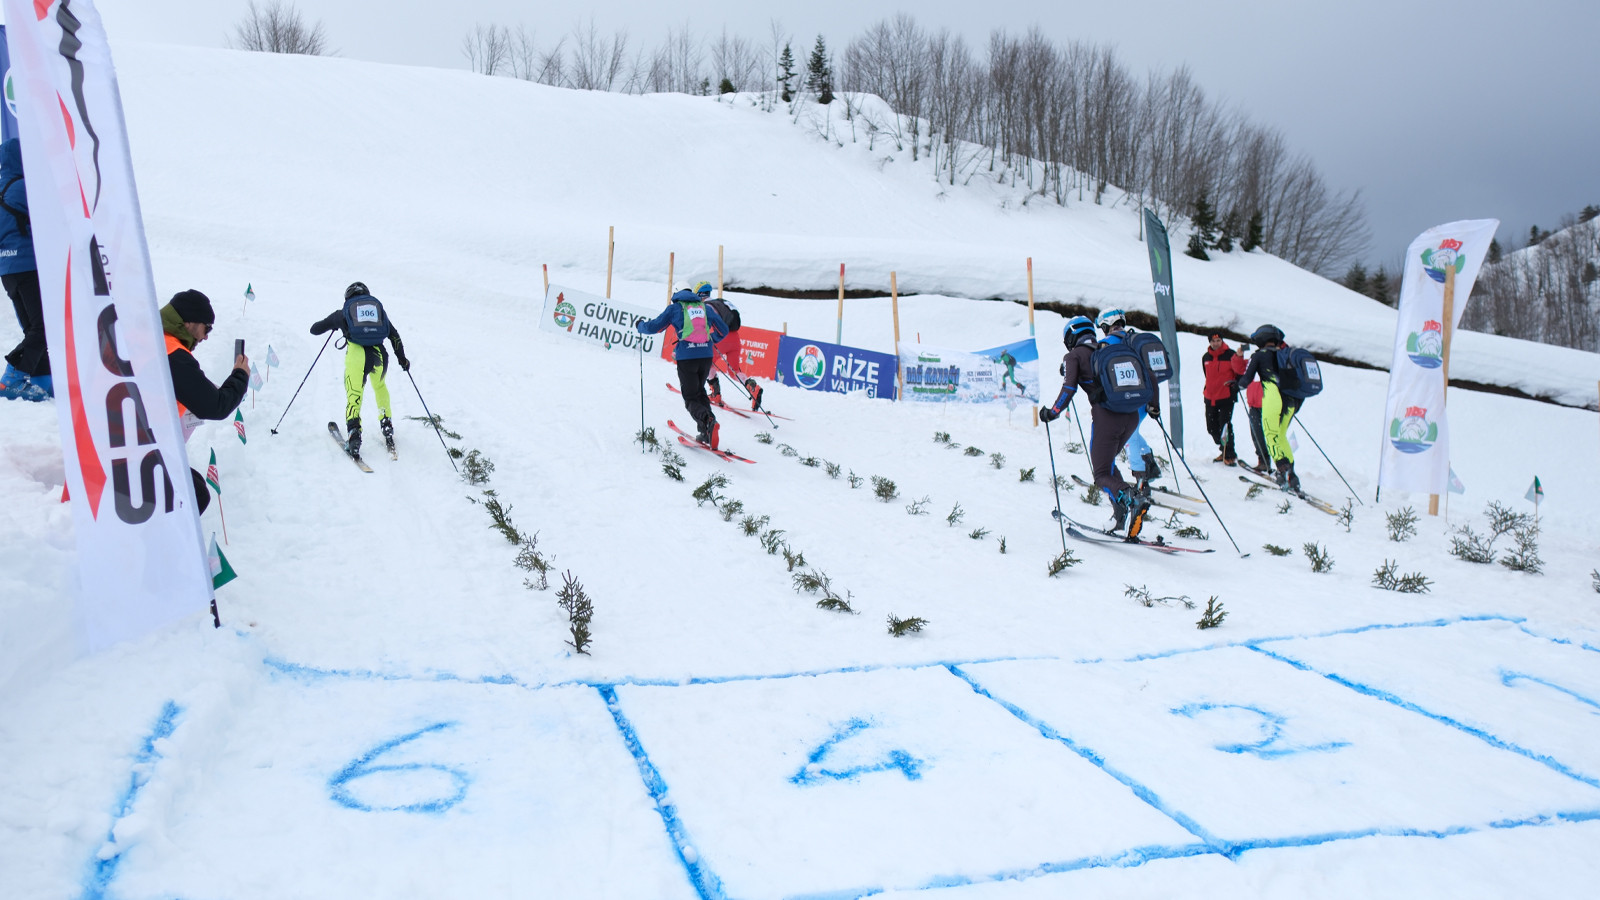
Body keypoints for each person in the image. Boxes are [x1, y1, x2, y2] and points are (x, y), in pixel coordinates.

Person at [1038, 313, 1153, 538]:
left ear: (1071, 338)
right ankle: (1119, 515)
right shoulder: (1104, 348)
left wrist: (1053, 412)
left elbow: (1069, 388)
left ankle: (1130, 497)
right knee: (1108, 464)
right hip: (1130, 416)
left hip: (1107, 418)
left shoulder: (1074, 356)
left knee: (1100, 474)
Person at [161, 289, 248, 514]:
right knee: (196, 495)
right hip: (136, 454)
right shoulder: (173, 354)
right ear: (189, 322)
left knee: (197, 484)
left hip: (117, 443)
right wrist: (240, 375)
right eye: (206, 328)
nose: (206, 336)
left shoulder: (152, 337)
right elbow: (216, 406)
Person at [309, 282, 410, 459]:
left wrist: (335, 323)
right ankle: (386, 425)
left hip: (357, 355)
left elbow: (314, 330)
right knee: (380, 387)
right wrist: (402, 358)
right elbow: (394, 335)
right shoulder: (378, 313)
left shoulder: (344, 313)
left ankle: (354, 434)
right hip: (380, 355)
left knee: (354, 393)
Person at [638, 286, 728, 447]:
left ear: (676, 294)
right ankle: (707, 429)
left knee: (691, 397)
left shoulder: (675, 308)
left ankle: (707, 420)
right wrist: (710, 340)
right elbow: (724, 330)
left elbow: (655, 327)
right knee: (700, 392)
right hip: (706, 355)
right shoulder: (704, 308)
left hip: (688, 357)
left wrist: (640, 326)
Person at [0, 138, 50, 401]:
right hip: (28, 264)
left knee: (33, 326)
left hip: (7, 269)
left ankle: (42, 374)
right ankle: (13, 377)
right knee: (44, 326)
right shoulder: (25, 187)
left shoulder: (2, 187)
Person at [1096, 309, 1162, 488]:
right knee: (1133, 431)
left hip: (1122, 398)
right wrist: (1154, 403)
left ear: (1105, 325)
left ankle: (1142, 475)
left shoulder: (1106, 343)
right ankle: (1148, 464)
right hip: (1143, 395)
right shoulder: (1135, 341)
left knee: (1129, 435)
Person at [1236, 324, 1301, 491]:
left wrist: (1234, 386)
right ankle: (1292, 476)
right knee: (1281, 436)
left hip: (1273, 397)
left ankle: (1281, 472)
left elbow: (1246, 379)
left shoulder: (1259, 355)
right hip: (1291, 401)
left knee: (1270, 434)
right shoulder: (1284, 355)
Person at [695, 281, 763, 411]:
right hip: (735, 338)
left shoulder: (706, 307)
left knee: (707, 362)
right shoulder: (722, 302)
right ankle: (752, 387)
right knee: (734, 371)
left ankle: (715, 394)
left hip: (720, 337)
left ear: (699, 295)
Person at [1200, 333, 1247, 465]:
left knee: (1225, 426)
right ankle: (1223, 448)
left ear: (1222, 341)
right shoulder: (1206, 357)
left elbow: (1239, 371)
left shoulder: (1231, 355)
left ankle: (1229, 454)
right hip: (1210, 396)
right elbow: (1206, 374)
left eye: (1218, 340)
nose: (1216, 343)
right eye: (1213, 341)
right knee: (1211, 428)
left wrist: (1235, 385)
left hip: (1226, 396)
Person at [1238, 343, 1271, 474]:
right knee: (1256, 433)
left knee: (1271, 435)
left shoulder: (1271, 362)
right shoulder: (1253, 362)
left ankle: (1281, 465)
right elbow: (1239, 368)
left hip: (1268, 404)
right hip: (1254, 404)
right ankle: (1263, 461)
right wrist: (1238, 356)